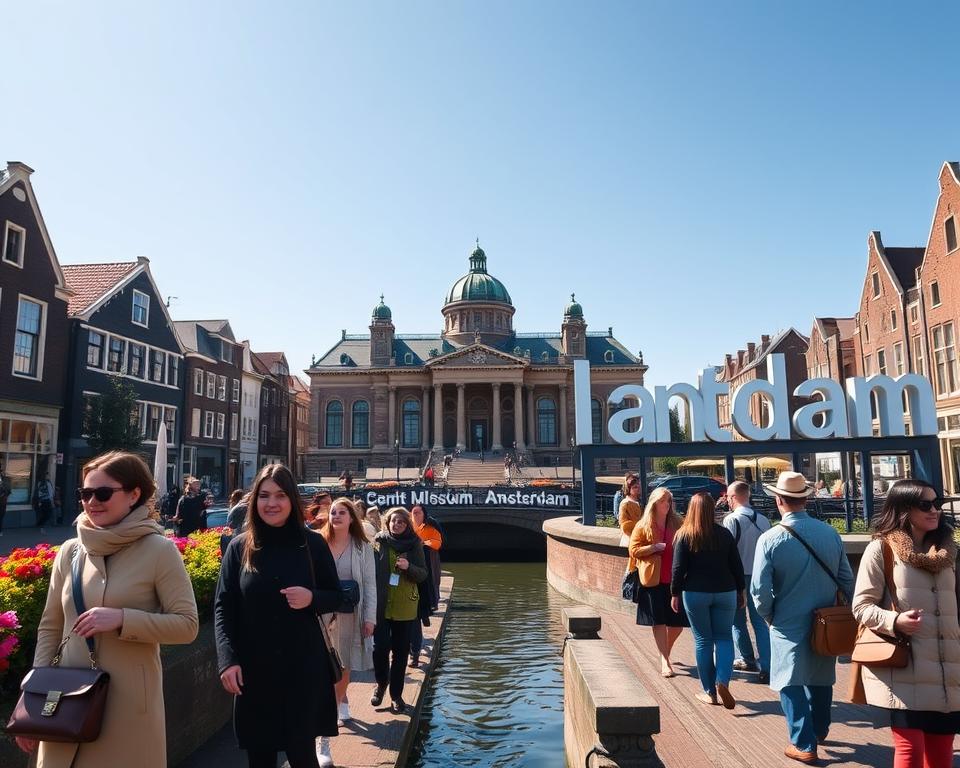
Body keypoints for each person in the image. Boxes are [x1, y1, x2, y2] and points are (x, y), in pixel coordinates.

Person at [16, 450, 198, 766]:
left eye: (102, 493)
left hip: (126, 708)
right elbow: (50, 627)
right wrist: (33, 697)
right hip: (64, 701)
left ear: (134, 494)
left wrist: (122, 619)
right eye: (85, 493)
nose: (91, 502)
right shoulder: (71, 551)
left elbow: (187, 625)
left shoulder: (160, 550)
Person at [215, 464, 342, 768]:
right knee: (259, 757)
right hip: (255, 671)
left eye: (280, 495)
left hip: (302, 670)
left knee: (302, 755)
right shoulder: (238, 548)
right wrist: (227, 660)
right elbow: (224, 607)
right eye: (264, 495)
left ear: (292, 500)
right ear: (254, 501)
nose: (271, 503)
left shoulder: (312, 544)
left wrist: (312, 597)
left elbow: (339, 596)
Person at [851, 479, 960, 768]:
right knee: (909, 751)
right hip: (901, 668)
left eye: (938, 503)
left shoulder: (950, 553)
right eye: (925, 505)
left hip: (948, 672)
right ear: (903, 508)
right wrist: (894, 620)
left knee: (941, 755)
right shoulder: (881, 550)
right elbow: (860, 607)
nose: (934, 510)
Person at [752, 471, 854, 764]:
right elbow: (846, 579)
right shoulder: (830, 533)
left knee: (788, 680)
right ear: (806, 499)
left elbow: (760, 590)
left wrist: (770, 615)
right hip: (827, 620)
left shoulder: (770, 539)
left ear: (778, 500)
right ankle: (820, 729)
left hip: (788, 620)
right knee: (821, 676)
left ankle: (803, 742)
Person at [671, 492, 744, 709]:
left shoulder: (685, 535)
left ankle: (710, 692)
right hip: (726, 591)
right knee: (724, 638)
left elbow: (678, 569)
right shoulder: (724, 534)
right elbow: (736, 566)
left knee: (703, 640)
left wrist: (675, 593)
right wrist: (741, 590)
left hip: (696, 592)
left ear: (691, 510)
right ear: (713, 510)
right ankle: (723, 680)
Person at [318, 498, 376, 766]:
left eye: (342, 512)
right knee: (322, 673)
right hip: (321, 615)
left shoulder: (363, 547)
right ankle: (324, 736)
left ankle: (341, 699)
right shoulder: (318, 543)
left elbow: (369, 585)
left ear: (352, 518)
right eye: (333, 512)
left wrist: (370, 619)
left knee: (343, 668)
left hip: (351, 614)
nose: (336, 516)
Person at [371, 507, 427, 714]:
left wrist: (408, 567)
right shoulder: (379, 542)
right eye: (394, 521)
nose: (397, 525)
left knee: (401, 653)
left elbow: (422, 574)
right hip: (382, 603)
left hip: (405, 605)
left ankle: (396, 695)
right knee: (380, 649)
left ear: (407, 524)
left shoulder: (414, 545)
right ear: (388, 522)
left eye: (402, 522)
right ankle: (381, 684)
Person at [628, 487, 688, 677]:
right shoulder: (643, 525)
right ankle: (664, 660)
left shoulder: (677, 522)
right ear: (654, 503)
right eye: (663, 501)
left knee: (678, 623)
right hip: (653, 579)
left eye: (669, 501)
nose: (667, 505)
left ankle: (666, 652)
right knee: (659, 621)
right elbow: (633, 550)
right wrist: (652, 548)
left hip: (674, 580)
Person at [722, 480, 771, 682]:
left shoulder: (731, 521)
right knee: (760, 622)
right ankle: (767, 664)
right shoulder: (764, 520)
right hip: (760, 576)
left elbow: (727, 553)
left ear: (733, 497)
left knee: (737, 622)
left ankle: (747, 657)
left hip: (738, 577)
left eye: (727, 497)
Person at [409, 505, 443, 667]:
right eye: (413, 512)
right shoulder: (408, 525)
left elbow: (437, 542)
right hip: (410, 566)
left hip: (427, 562)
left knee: (427, 591)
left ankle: (425, 612)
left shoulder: (431, 525)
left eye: (418, 512)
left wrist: (423, 543)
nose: (415, 515)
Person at [618, 472, 642, 546]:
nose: (638, 489)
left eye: (638, 486)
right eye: (635, 487)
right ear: (628, 489)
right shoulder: (626, 503)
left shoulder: (640, 502)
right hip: (629, 539)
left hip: (640, 538)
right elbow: (624, 524)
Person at [0, 462, 11, 536]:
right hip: (2, 501)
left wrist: (4, 494)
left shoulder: (5, 479)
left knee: (1, 516)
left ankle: (0, 530)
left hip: (2, 501)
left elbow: (8, 490)